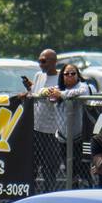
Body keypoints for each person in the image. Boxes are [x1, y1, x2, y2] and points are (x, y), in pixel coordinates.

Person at [28, 49, 62, 194]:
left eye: (44, 61)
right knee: (32, 167)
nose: (40, 64)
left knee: (50, 168)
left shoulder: (61, 78)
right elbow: (34, 93)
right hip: (36, 128)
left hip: (53, 131)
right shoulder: (38, 76)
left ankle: (49, 194)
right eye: (39, 61)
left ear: (54, 62)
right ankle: (30, 194)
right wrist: (28, 92)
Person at [55, 63, 94, 187]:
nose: (69, 76)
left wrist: (60, 95)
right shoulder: (58, 88)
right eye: (66, 74)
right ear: (62, 76)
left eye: (73, 73)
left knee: (83, 168)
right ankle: (73, 189)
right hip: (63, 137)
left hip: (80, 137)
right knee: (69, 170)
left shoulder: (83, 86)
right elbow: (43, 92)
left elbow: (82, 92)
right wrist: (48, 92)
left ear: (78, 75)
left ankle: (88, 189)